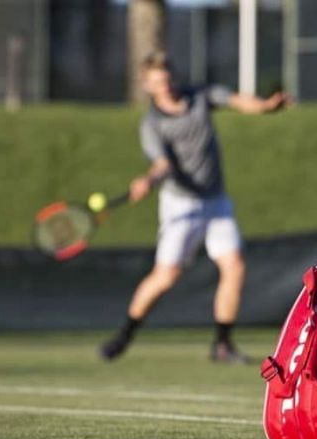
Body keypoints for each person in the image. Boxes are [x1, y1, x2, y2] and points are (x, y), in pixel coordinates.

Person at [100, 51, 290, 363]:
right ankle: (124, 335)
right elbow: (162, 163)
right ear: (147, 86)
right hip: (180, 204)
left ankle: (222, 344)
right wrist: (148, 180)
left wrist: (266, 106)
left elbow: (236, 100)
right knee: (166, 277)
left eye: (168, 78)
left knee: (235, 265)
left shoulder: (200, 96)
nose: (166, 86)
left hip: (216, 201)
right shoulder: (152, 124)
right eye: (158, 82)